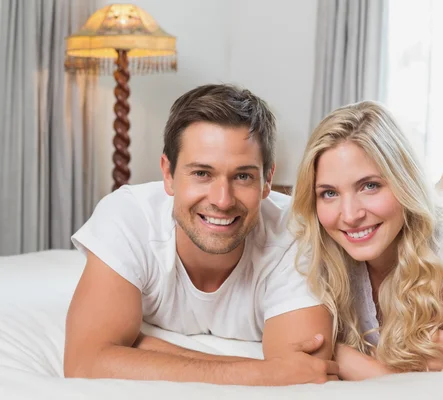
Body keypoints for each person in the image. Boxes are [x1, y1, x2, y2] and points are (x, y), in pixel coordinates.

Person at [64, 84, 339, 386]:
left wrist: (140, 347)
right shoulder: (129, 217)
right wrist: (257, 371)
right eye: (201, 174)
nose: (222, 200)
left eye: (243, 176)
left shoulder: (296, 232)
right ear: (167, 174)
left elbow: (303, 373)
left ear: (267, 181)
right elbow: (85, 361)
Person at [290, 100, 443, 380]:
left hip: (435, 235)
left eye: (370, 186)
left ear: (404, 181)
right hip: (411, 224)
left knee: (438, 222)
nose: (349, 215)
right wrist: (412, 355)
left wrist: (344, 355)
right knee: (428, 209)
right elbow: (299, 341)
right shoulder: (316, 240)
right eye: (329, 193)